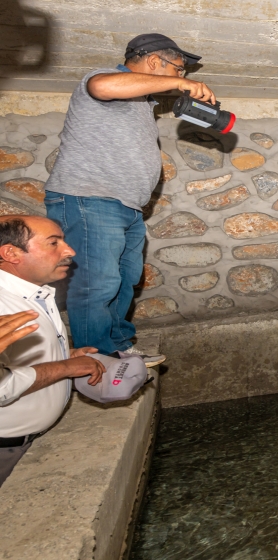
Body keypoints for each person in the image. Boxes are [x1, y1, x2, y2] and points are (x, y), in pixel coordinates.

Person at [44, 33, 216, 366]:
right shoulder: (102, 81)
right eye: (179, 69)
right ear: (154, 62)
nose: (181, 78)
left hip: (126, 207)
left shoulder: (143, 104)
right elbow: (101, 87)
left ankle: (118, 347)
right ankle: (99, 361)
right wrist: (181, 87)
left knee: (124, 279)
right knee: (97, 282)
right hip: (89, 197)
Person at [0, 216, 107, 486]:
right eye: (53, 243)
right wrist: (64, 368)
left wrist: (64, 356)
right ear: (11, 253)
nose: (69, 250)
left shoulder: (35, 293)